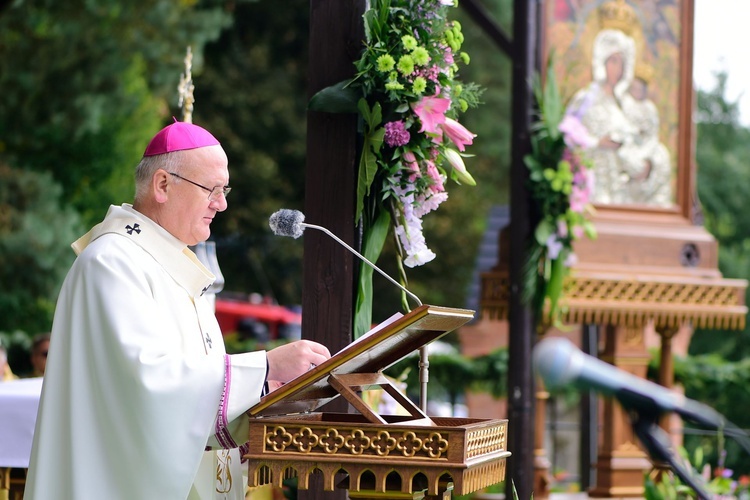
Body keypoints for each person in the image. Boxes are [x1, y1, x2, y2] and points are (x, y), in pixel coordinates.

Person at [24, 120, 331, 500]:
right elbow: (146, 381)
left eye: (225, 190)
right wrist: (265, 367)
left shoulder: (175, 270)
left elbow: (193, 396)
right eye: (212, 189)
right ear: (163, 185)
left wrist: (272, 392)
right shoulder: (112, 262)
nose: (222, 203)